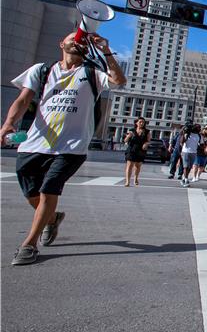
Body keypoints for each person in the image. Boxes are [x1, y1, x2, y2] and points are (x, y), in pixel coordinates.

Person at [0, 30, 125, 265]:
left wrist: (106, 50)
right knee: (32, 195)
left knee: (49, 190)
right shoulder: (42, 70)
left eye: (82, 41)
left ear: (87, 49)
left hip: (71, 146)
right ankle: (52, 218)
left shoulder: (92, 73)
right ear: (61, 43)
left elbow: (119, 81)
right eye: (72, 38)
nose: (77, 42)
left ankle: (29, 244)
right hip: (35, 143)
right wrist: (8, 124)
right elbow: (23, 99)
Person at [124, 117, 151, 187]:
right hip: (131, 149)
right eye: (140, 122)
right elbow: (125, 141)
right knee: (129, 165)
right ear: (136, 123)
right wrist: (128, 136)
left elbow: (149, 141)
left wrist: (146, 144)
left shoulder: (147, 132)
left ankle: (135, 178)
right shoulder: (131, 130)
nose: (141, 123)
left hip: (141, 150)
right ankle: (127, 181)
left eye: (143, 122)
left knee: (137, 166)